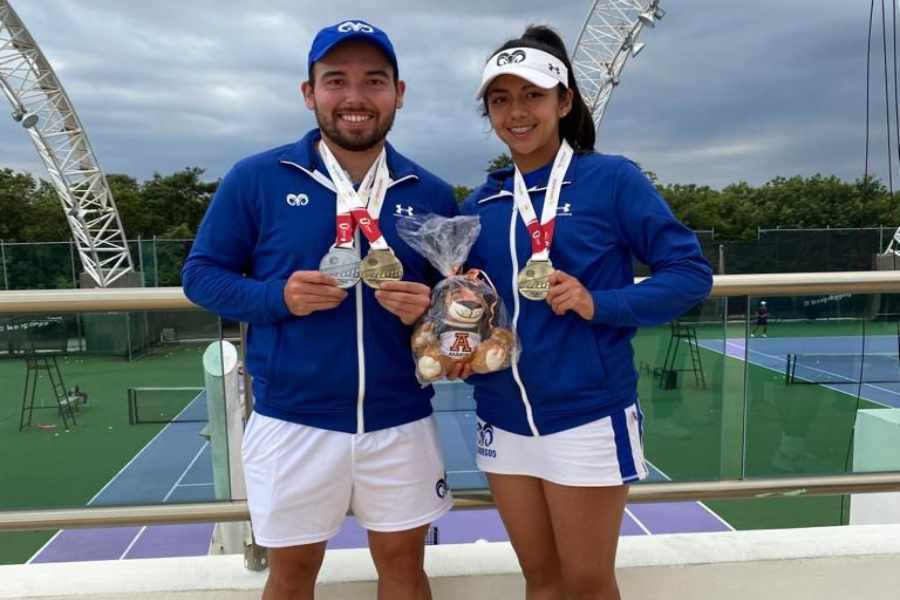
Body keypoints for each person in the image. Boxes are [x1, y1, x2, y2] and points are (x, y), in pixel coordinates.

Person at [182, 20, 457, 600]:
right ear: (309, 93)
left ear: (398, 93)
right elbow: (201, 277)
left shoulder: (428, 190)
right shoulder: (257, 179)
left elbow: (455, 305)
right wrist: (276, 297)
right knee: (291, 576)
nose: (355, 98)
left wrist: (428, 309)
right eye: (336, 81)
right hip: (293, 422)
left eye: (373, 81)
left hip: (399, 418)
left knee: (406, 573)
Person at [457, 25, 713, 599]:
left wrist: (602, 304)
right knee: (541, 582)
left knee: (589, 584)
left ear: (564, 101)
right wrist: (457, 335)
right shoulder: (484, 203)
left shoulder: (610, 180)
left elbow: (690, 274)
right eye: (501, 99)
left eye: (532, 96)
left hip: (586, 417)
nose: (516, 113)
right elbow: (472, 298)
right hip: (502, 416)